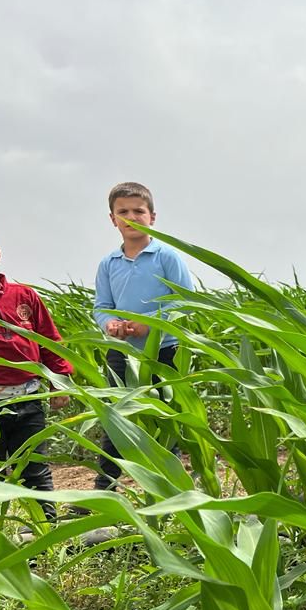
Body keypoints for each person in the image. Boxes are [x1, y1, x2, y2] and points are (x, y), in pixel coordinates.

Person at [92, 182, 193, 491]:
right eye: (123, 212)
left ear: (152, 216)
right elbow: (101, 306)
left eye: (139, 210)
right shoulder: (108, 264)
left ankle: (173, 490)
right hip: (122, 354)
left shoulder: (166, 257)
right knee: (117, 420)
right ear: (112, 219)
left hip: (164, 352)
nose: (131, 216)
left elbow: (185, 301)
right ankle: (103, 488)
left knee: (164, 420)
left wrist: (150, 324)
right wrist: (110, 325)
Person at [0, 233, 72, 522]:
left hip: (29, 400)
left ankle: (45, 531)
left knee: (35, 468)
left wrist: (60, 380)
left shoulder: (24, 297)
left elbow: (50, 340)